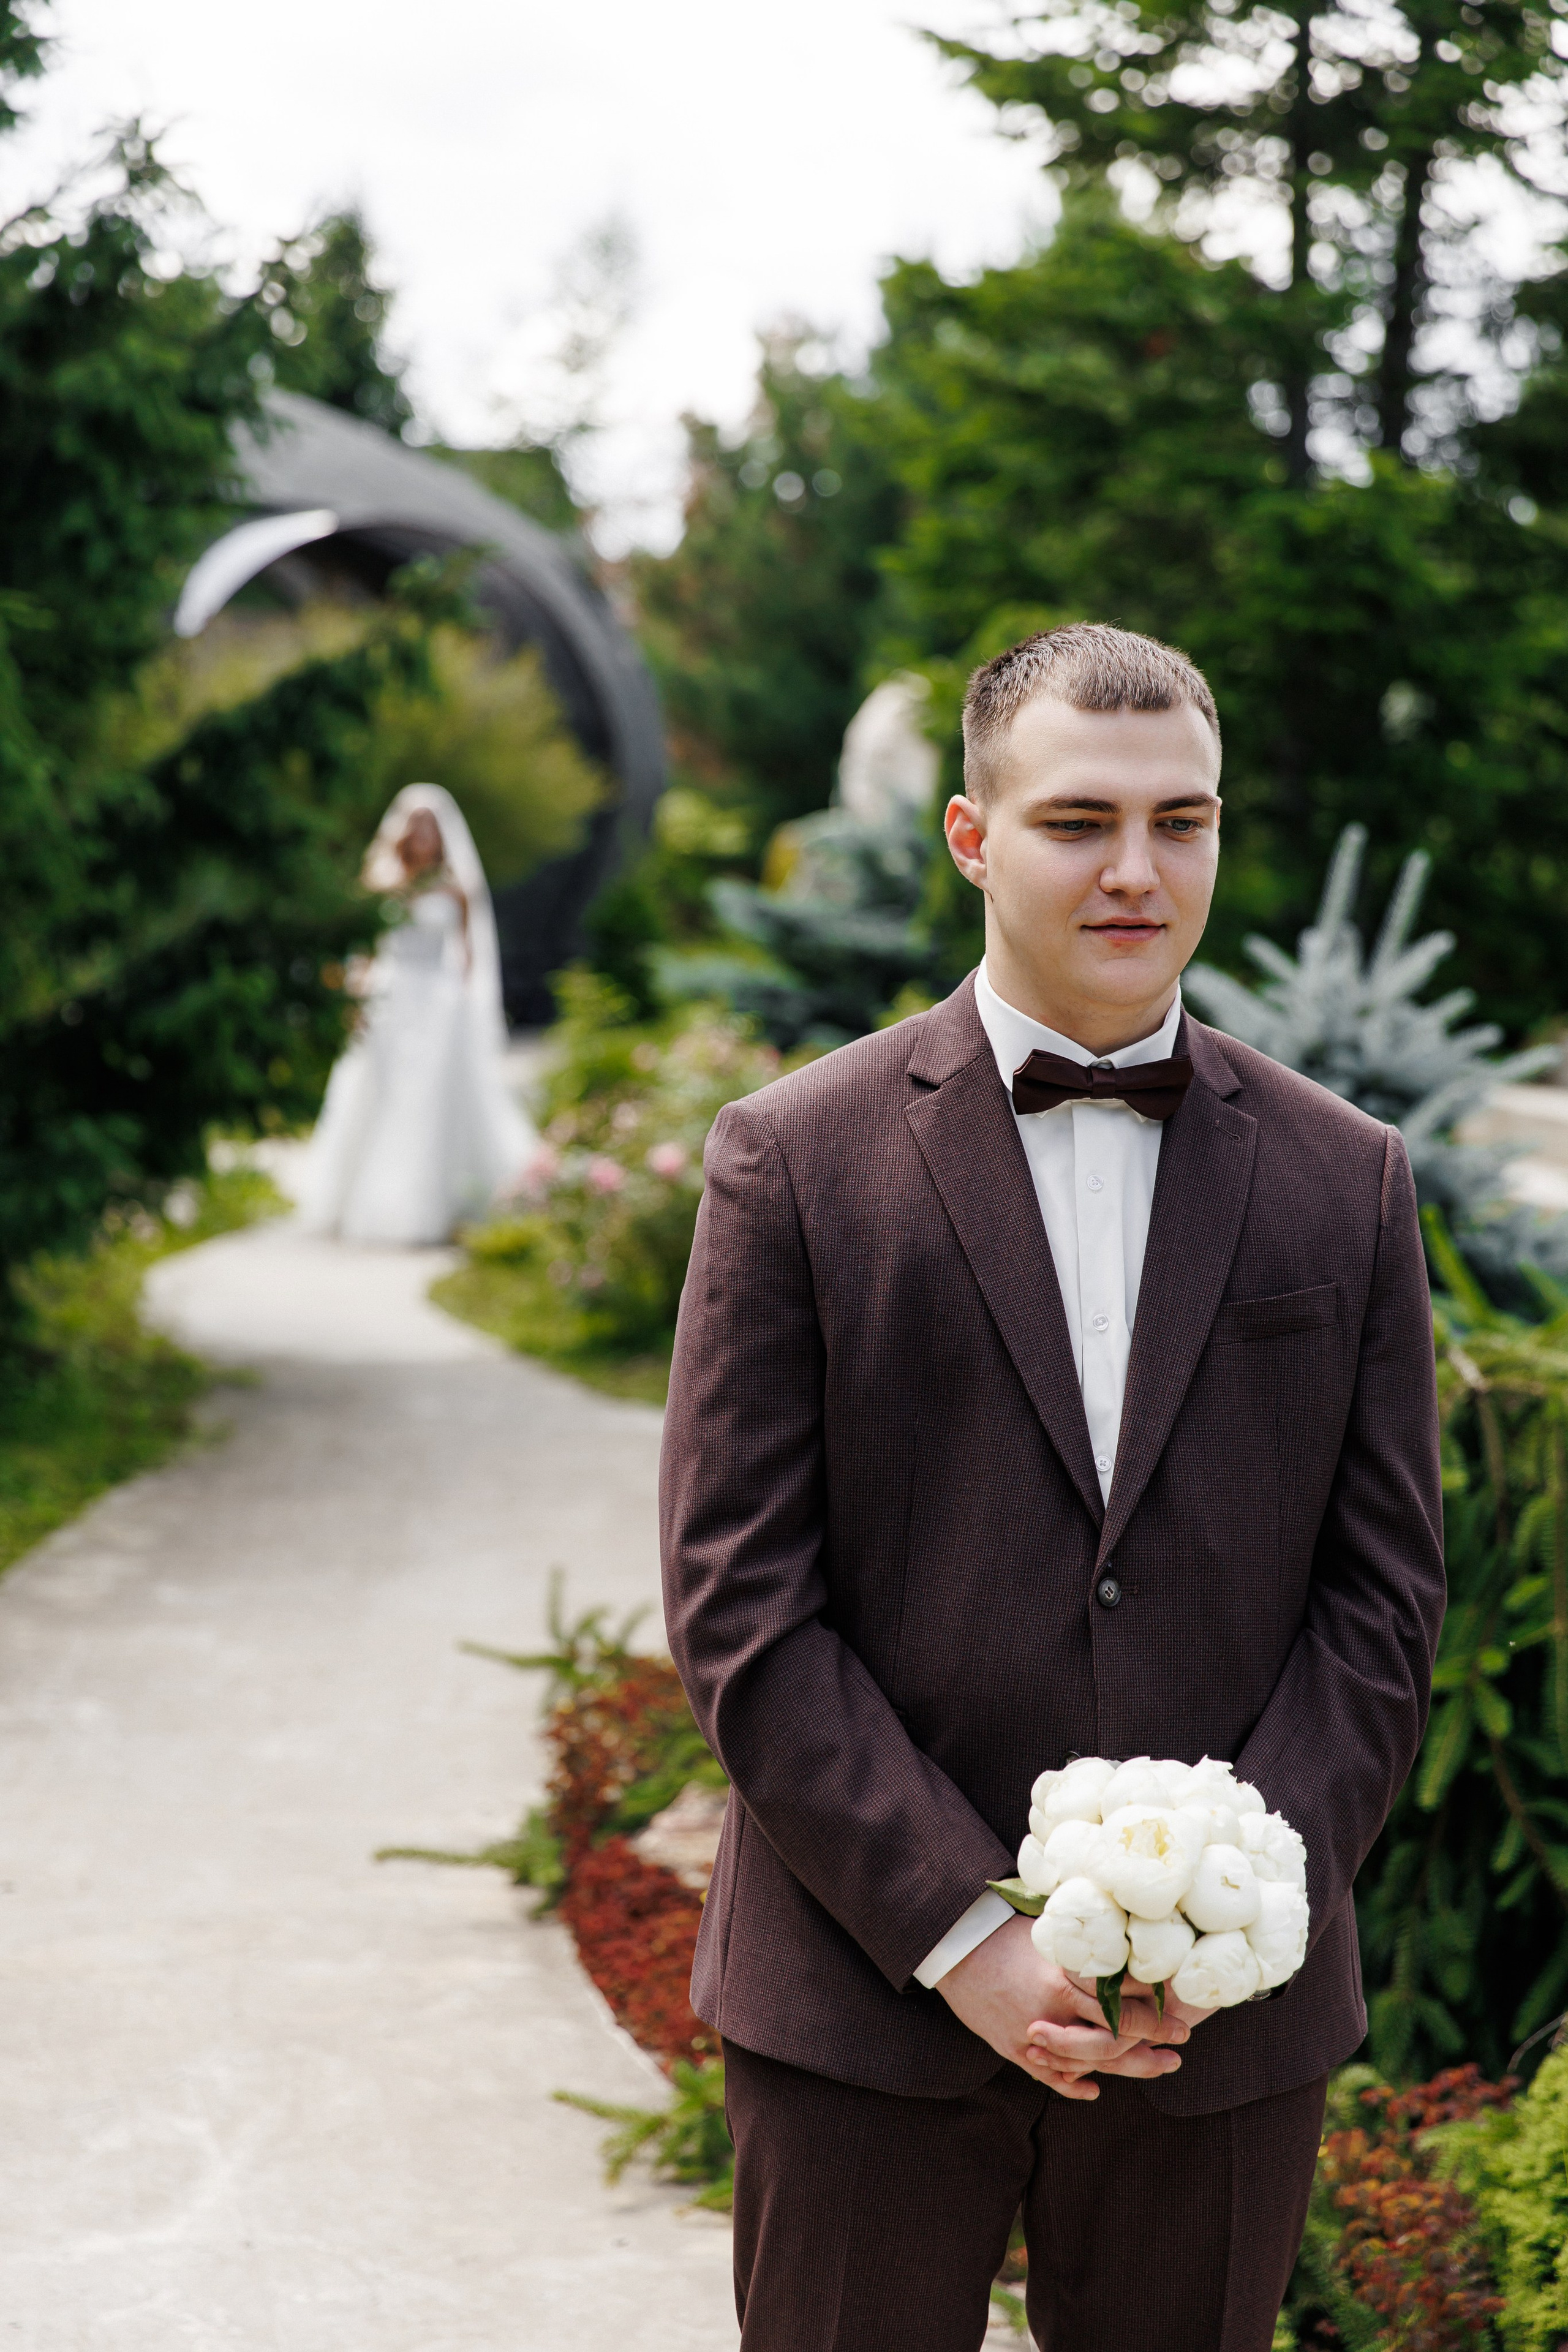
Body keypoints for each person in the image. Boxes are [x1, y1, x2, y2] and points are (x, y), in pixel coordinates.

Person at [659, 624, 1444, 2352]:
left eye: (1185, 822)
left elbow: (1383, 1606)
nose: (1139, 871)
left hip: (1218, 2028)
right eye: (1081, 821)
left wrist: (1218, 1919)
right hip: (867, 2002)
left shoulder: (1347, 1179)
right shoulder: (793, 1159)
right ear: (971, 836)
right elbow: (743, 1608)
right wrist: (963, 1931)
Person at [300, 783, 536, 1245]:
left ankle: (433, 1204)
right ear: (405, 831)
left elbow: (469, 958)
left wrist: (466, 1011)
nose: (425, 832)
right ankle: (368, 1201)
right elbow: (365, 951)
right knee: (384, 1093)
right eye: (417, 823)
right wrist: (355, 1000)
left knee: (430, 1100)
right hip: (391, 998)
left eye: (432, 824)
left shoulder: (455, 889)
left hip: (437, 1004)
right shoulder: (383, 882)